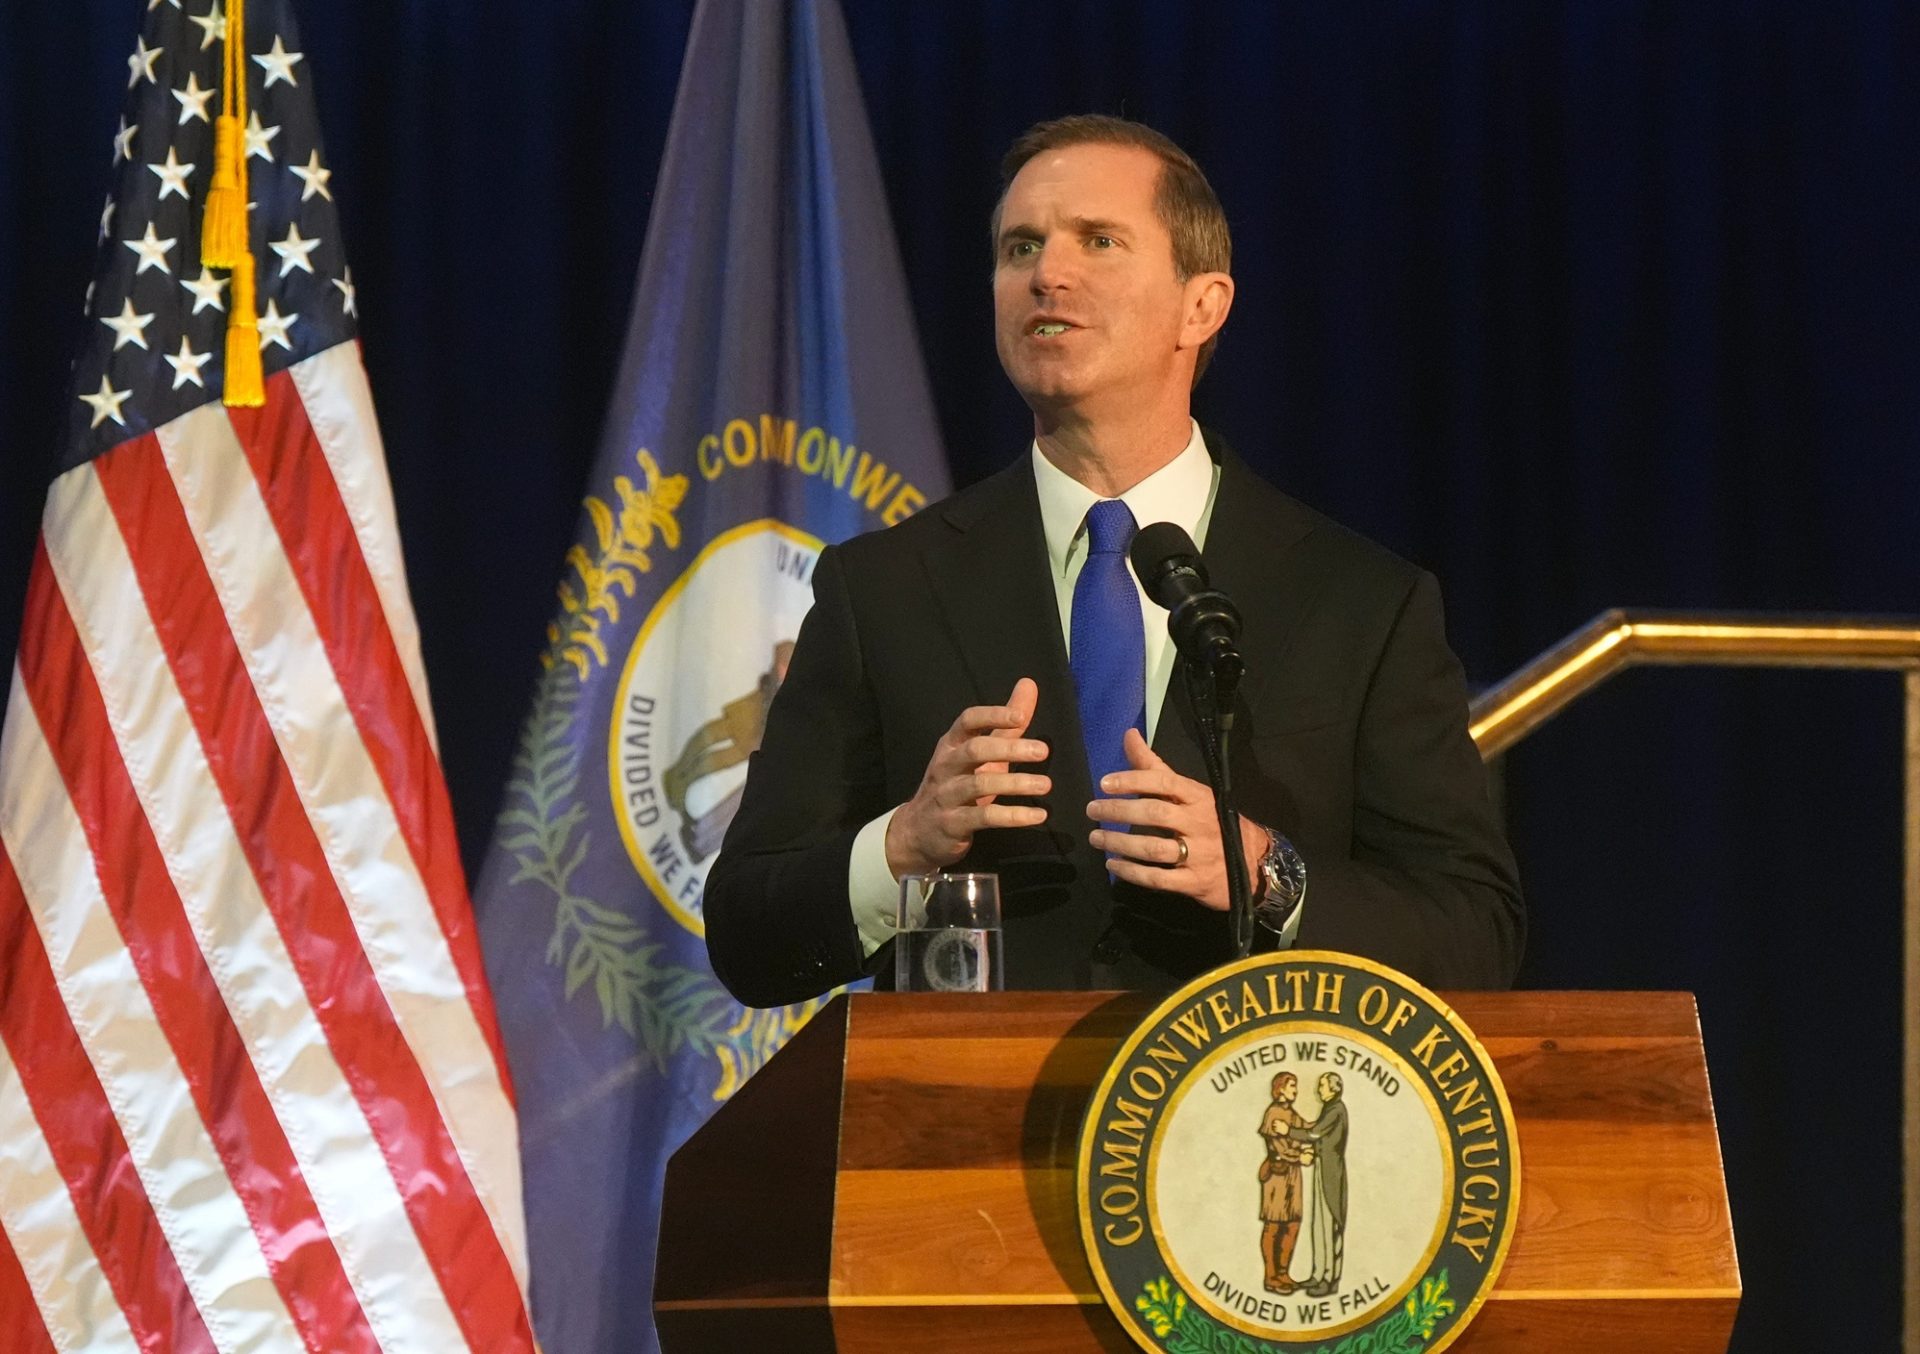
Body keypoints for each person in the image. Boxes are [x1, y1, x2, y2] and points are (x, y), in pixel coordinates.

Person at [704, 115, 1522, 1005]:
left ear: (1202, 306)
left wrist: (1265, 872)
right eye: (1020, 247)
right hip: (971, 1097)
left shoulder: (1362, 602)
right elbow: (747, 932)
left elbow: (1475, 933)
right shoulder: (883, 588)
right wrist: (902, 844)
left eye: (1098, 241)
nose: (1047, 274)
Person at [1289, 1071, 1350, 1297]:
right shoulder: (1329, 1108)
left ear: (1334, 1089)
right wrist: (1312, 1151)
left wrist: (1289, 1131)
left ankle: (1329, 1279)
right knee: (1318, 1225)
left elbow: (1315, 1133)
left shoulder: (1336, 1109)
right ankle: (1317, 1275)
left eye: (1322, 1086)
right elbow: (1325, 1140)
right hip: (1322, 1169)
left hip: (1331, 1174)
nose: (1318, 1090)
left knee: (1329, 1226)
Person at [1257, 1072, 1311, 1294]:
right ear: (1280, 1089)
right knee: (1274, 1225)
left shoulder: (1291, 1113)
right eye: (1291, 1086)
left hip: (1293, 1176)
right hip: (1277, 1176)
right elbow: (1279, 1146)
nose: (1295, 1091)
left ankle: (1283, 1273)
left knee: (1292, 1225)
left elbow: (1306, 1129)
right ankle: (1271, 1277)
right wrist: (1299, 1156)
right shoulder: (1273, 1113)